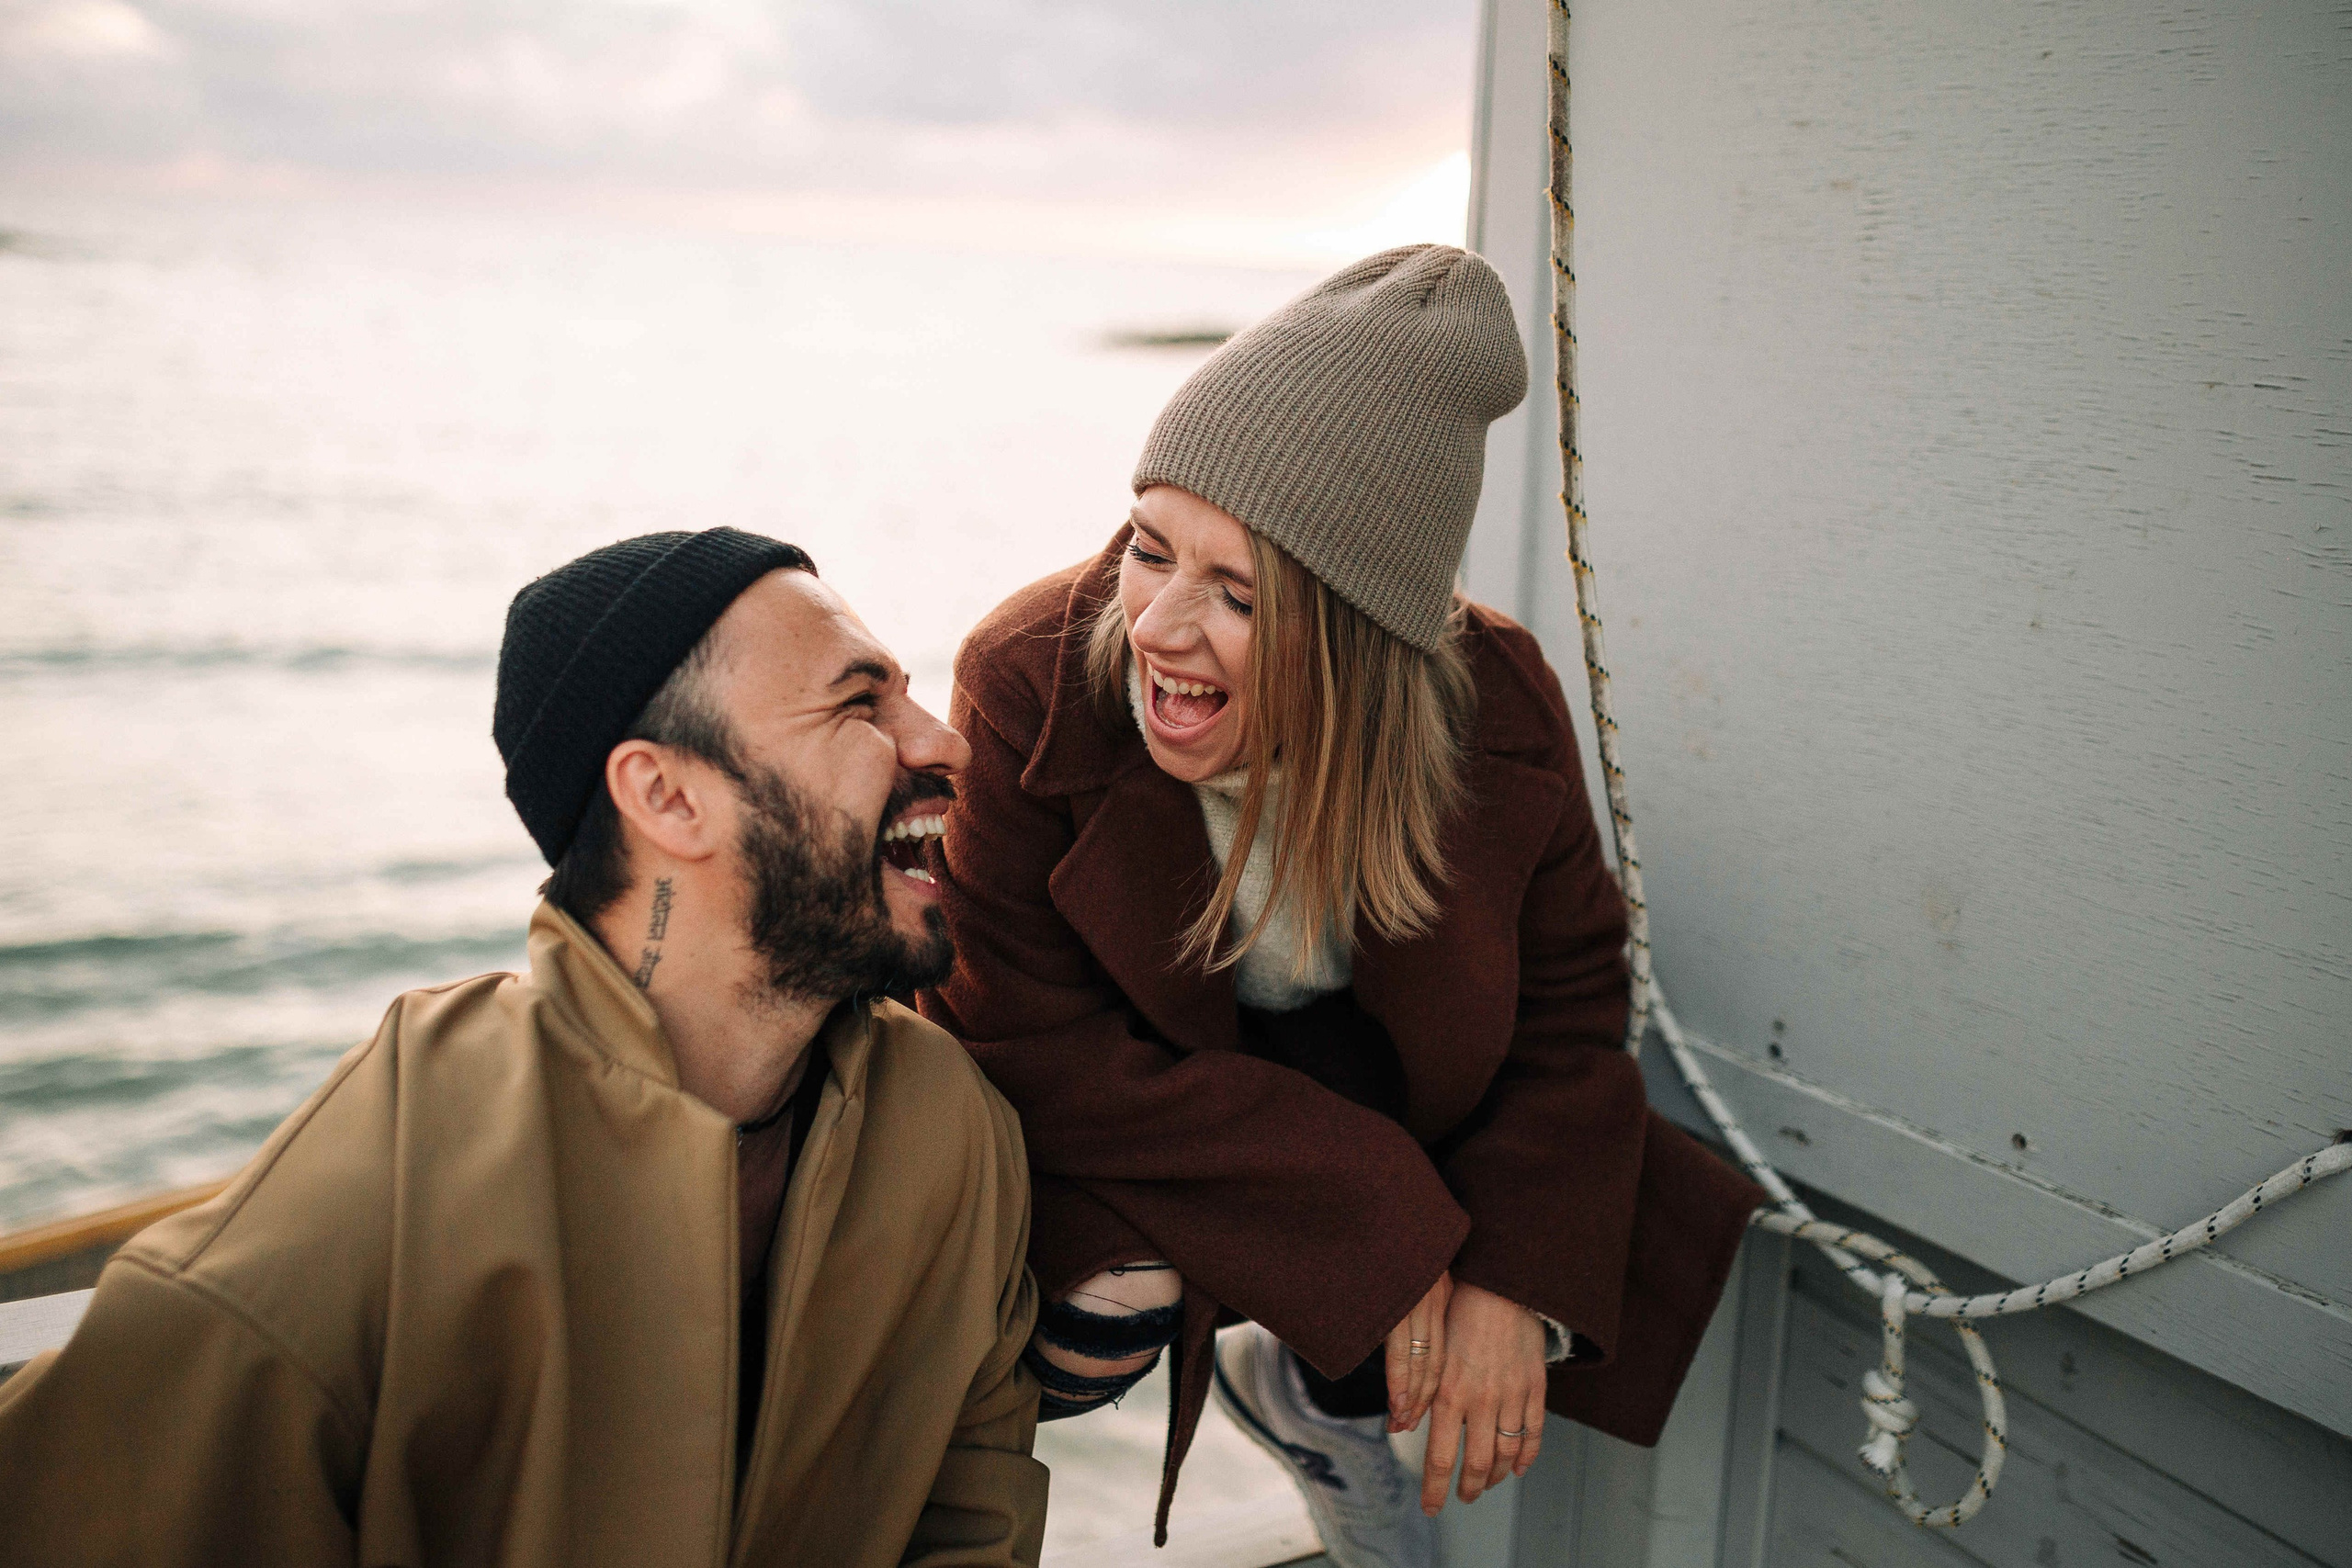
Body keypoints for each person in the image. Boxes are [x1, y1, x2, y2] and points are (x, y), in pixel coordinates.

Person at [920, 246, 1766, 1565]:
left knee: (1569, 1247)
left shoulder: (1495, 703)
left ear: (1367, 635)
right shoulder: (1029, 675)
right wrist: (1382, 1223)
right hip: (1152, 1079)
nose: (1157, 627)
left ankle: (1321, 1393)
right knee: (1092, 1311)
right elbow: (1022, 1037)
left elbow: (1569, 1008)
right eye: (1151, 549)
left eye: (1241, 595)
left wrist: (1505, 1270)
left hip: (1372, 1060)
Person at [0, 530, 1048, 1567]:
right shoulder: (409, 1165)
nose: (940, 742)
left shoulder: (949, 1131)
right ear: (667, 796)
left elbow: (970, 1521)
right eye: (859, 705)